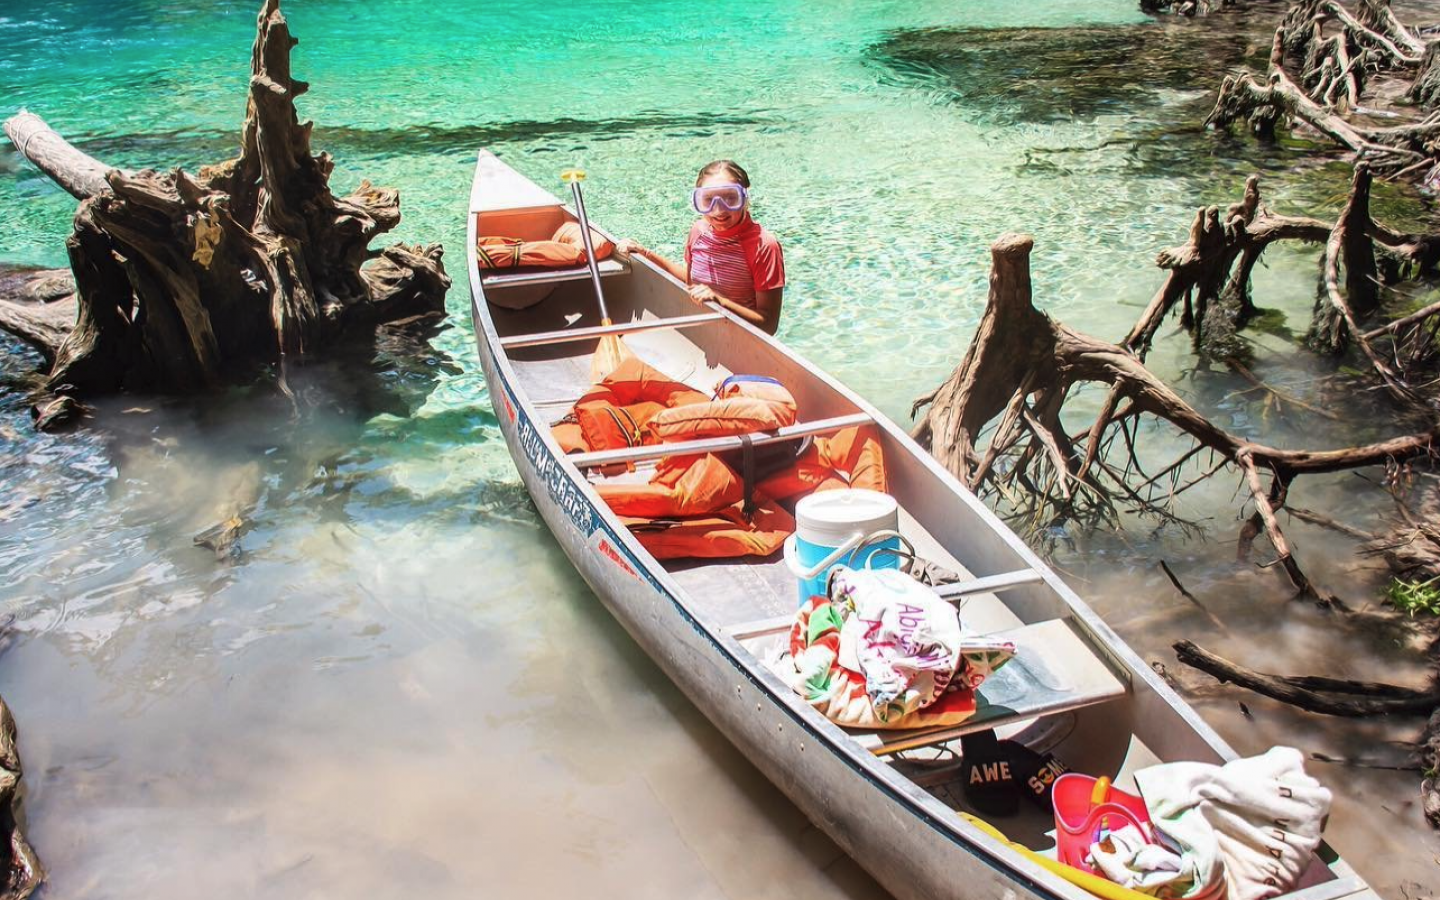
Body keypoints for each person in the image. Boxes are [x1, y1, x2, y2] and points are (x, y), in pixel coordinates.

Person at [616, 160, 786, 335]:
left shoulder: (764, 245)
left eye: (730, 198)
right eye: (708, 200)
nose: (719, 210)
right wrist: (645, 253)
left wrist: (720, 301)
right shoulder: (698, 231)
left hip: (741, 341)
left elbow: (768, 325)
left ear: (744, 197)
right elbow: (692, 283)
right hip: (704, 332)